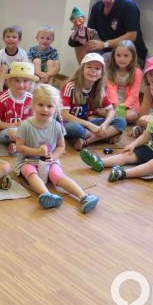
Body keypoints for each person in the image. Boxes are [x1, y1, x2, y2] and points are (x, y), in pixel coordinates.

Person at [80, 83, 153, 182]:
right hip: (149, 149)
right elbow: (146, 136)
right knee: (126, 155)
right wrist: (133, 145)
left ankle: (123, 173)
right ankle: (100, 162)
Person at [15, 85, 100, 213]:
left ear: (56, 108)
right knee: (30, 173)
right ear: (33, 104)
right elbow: (20, 148)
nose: (45, 109)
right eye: (41, 105)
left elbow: (61, 147)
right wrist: (37, 152)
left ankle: (84, 196)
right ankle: (46, 195)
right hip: (28, 160)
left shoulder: (56, 126)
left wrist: (53, 157)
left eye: (49, 106)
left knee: (57, 175)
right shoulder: (25, 125)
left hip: (50, 161)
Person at [60, 53, 127, 150]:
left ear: (101, 74)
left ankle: (86, 141)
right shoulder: (70, 86)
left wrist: (105, 125)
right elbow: (64, 115)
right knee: (74, 128)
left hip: (86, 124)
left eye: (97, 68)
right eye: (89, 67)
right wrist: (90, 125)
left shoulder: (99, 90)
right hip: (68, 123)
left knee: (121, 120)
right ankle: (106, 136)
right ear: (82, 69)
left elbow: (111, 110)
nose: (93, 71)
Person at [86, 0, 148, 65]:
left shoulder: (128, 6)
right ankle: (86, 78)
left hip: (129, 54)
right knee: (80, 46)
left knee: (105, 58)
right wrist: (80, 34)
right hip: (105, 50)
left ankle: (98, 77)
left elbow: (131, 36)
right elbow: (90, 31)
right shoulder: (96, 7)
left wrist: (104, 44)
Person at [0, 62, 36, 155]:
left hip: (25, 131)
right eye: (17, 81)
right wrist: (15, 125)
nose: (21, 85)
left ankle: (16, 145)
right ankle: (26, 146)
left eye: (25, 81)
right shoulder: (1, 99)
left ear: (31, 83)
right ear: (9, 82)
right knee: (14, 132)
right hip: (4, 132)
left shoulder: (32, 99)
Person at [104, 40, 143, 124]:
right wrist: (116, 104)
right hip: (113, 102)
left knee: (132, 116)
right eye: (118, 55)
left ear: (132, 57)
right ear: (113, 56)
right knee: (98, 106)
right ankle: (115, 116)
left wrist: (123, 106)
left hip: (128, 105)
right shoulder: (111, 70)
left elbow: (134, 94)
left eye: (126, 56)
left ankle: (111, 116)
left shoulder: (137, 72)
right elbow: (111, 90)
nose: (121, 59)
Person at [0, 25, 30, 93]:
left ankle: (15, 89)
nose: (10, 39)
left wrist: (16, 82)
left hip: (17, 80)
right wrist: (5, 81)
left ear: (19, 40)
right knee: (4, 67)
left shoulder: (22, 53)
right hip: (3, 81)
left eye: (14, 37)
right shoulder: (1, 53)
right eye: (8, 36)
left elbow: (25, 72)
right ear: (3, 39)